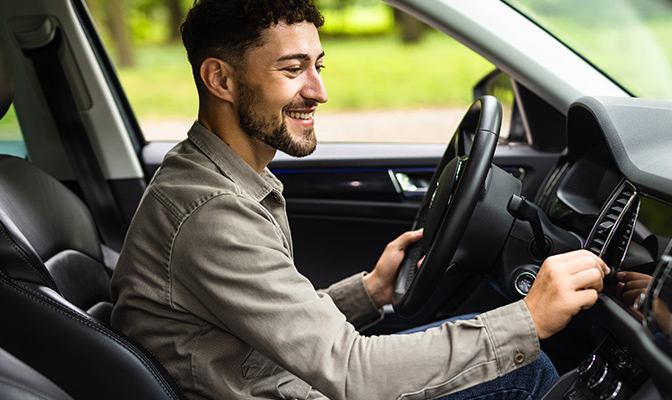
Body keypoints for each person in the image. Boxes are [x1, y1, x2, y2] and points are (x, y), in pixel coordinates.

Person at [110, 1, 609, 399]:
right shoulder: (212, 213)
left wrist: (370, 291)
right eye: (292, 69)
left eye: (318, 65)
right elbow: (352, 373)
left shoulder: (218, 178)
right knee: (528, 370)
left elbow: (274, 329)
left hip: (288, 380)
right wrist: (529, 317)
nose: (320, 91)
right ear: (221, 79)